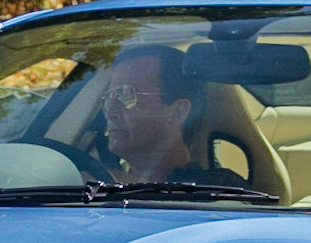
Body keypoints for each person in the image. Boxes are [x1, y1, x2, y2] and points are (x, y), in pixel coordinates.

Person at [98, 45, 245, 186]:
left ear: (177, 112)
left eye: (126, 95)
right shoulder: (87, 193)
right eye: (109, 98)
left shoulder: (221, 192)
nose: (111, 113)